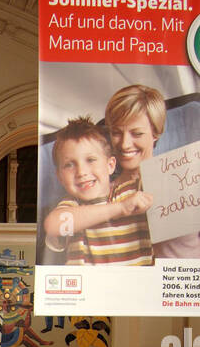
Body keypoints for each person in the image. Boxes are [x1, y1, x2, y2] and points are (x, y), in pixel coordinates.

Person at [104, 84, 198, 260]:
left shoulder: (185, 179)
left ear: (156, 132)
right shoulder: (102, 192)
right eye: (116, 132)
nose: (124, 144)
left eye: (137, 133)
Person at [43, 117, 153, 265]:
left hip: (136, 283)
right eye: (69, 165)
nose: (81, 172)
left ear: (110, 165)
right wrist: (120, 208)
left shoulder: (132, 192)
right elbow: (53, 225)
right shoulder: (71, 206)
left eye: (90, 160)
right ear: (60, 177)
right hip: (92, 285)